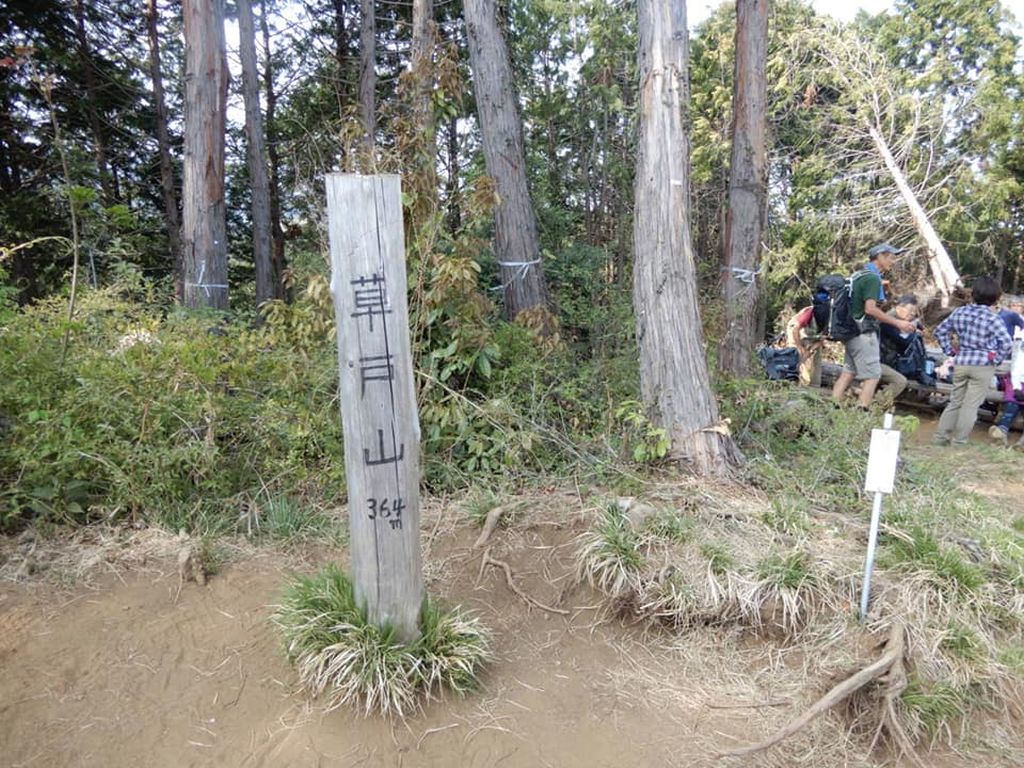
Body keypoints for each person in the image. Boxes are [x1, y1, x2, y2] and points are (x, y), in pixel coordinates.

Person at [832, 243, 917, 408]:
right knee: (873, 376)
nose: (893, 262)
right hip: (863, 334)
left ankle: (832, 409)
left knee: (848, 373)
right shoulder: (872, 278)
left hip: (851, 332)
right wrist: (898, 322)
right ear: (880, 257)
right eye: (891, 258)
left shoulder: (858, 275)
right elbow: (870, 309)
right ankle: (861, 415)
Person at [933, 276, 1013, 446]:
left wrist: (951, 352)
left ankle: (941, 438)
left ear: (973, 294)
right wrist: (996, 359)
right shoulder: (993, 318)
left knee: (955, 401)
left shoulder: (960, 312)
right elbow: (1006, 343)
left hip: (962, 361)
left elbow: (939, 331)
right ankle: (959, 441)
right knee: (971, 405)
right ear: (995, 298)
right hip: (983, 364)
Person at [877, 295, 923, 408]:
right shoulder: (888, 321)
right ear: (899, 307)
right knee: (901, 381)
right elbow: (902, 342)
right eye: (910, 310)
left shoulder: (897, 320)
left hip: (886, 361)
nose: (912, 314)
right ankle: (876, 404)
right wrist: (913, 333)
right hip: (877, 362)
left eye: (914, 312)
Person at [785, 305, 822, 387]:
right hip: (796, 330)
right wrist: (800, 348)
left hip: (813, 335)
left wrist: (810, 351)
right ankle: (791, 381)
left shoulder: (832, 321)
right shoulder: (809, 313)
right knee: (796, 355)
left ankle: (814, 385)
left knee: (815, 360)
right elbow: (795, 329)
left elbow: (823, 340)